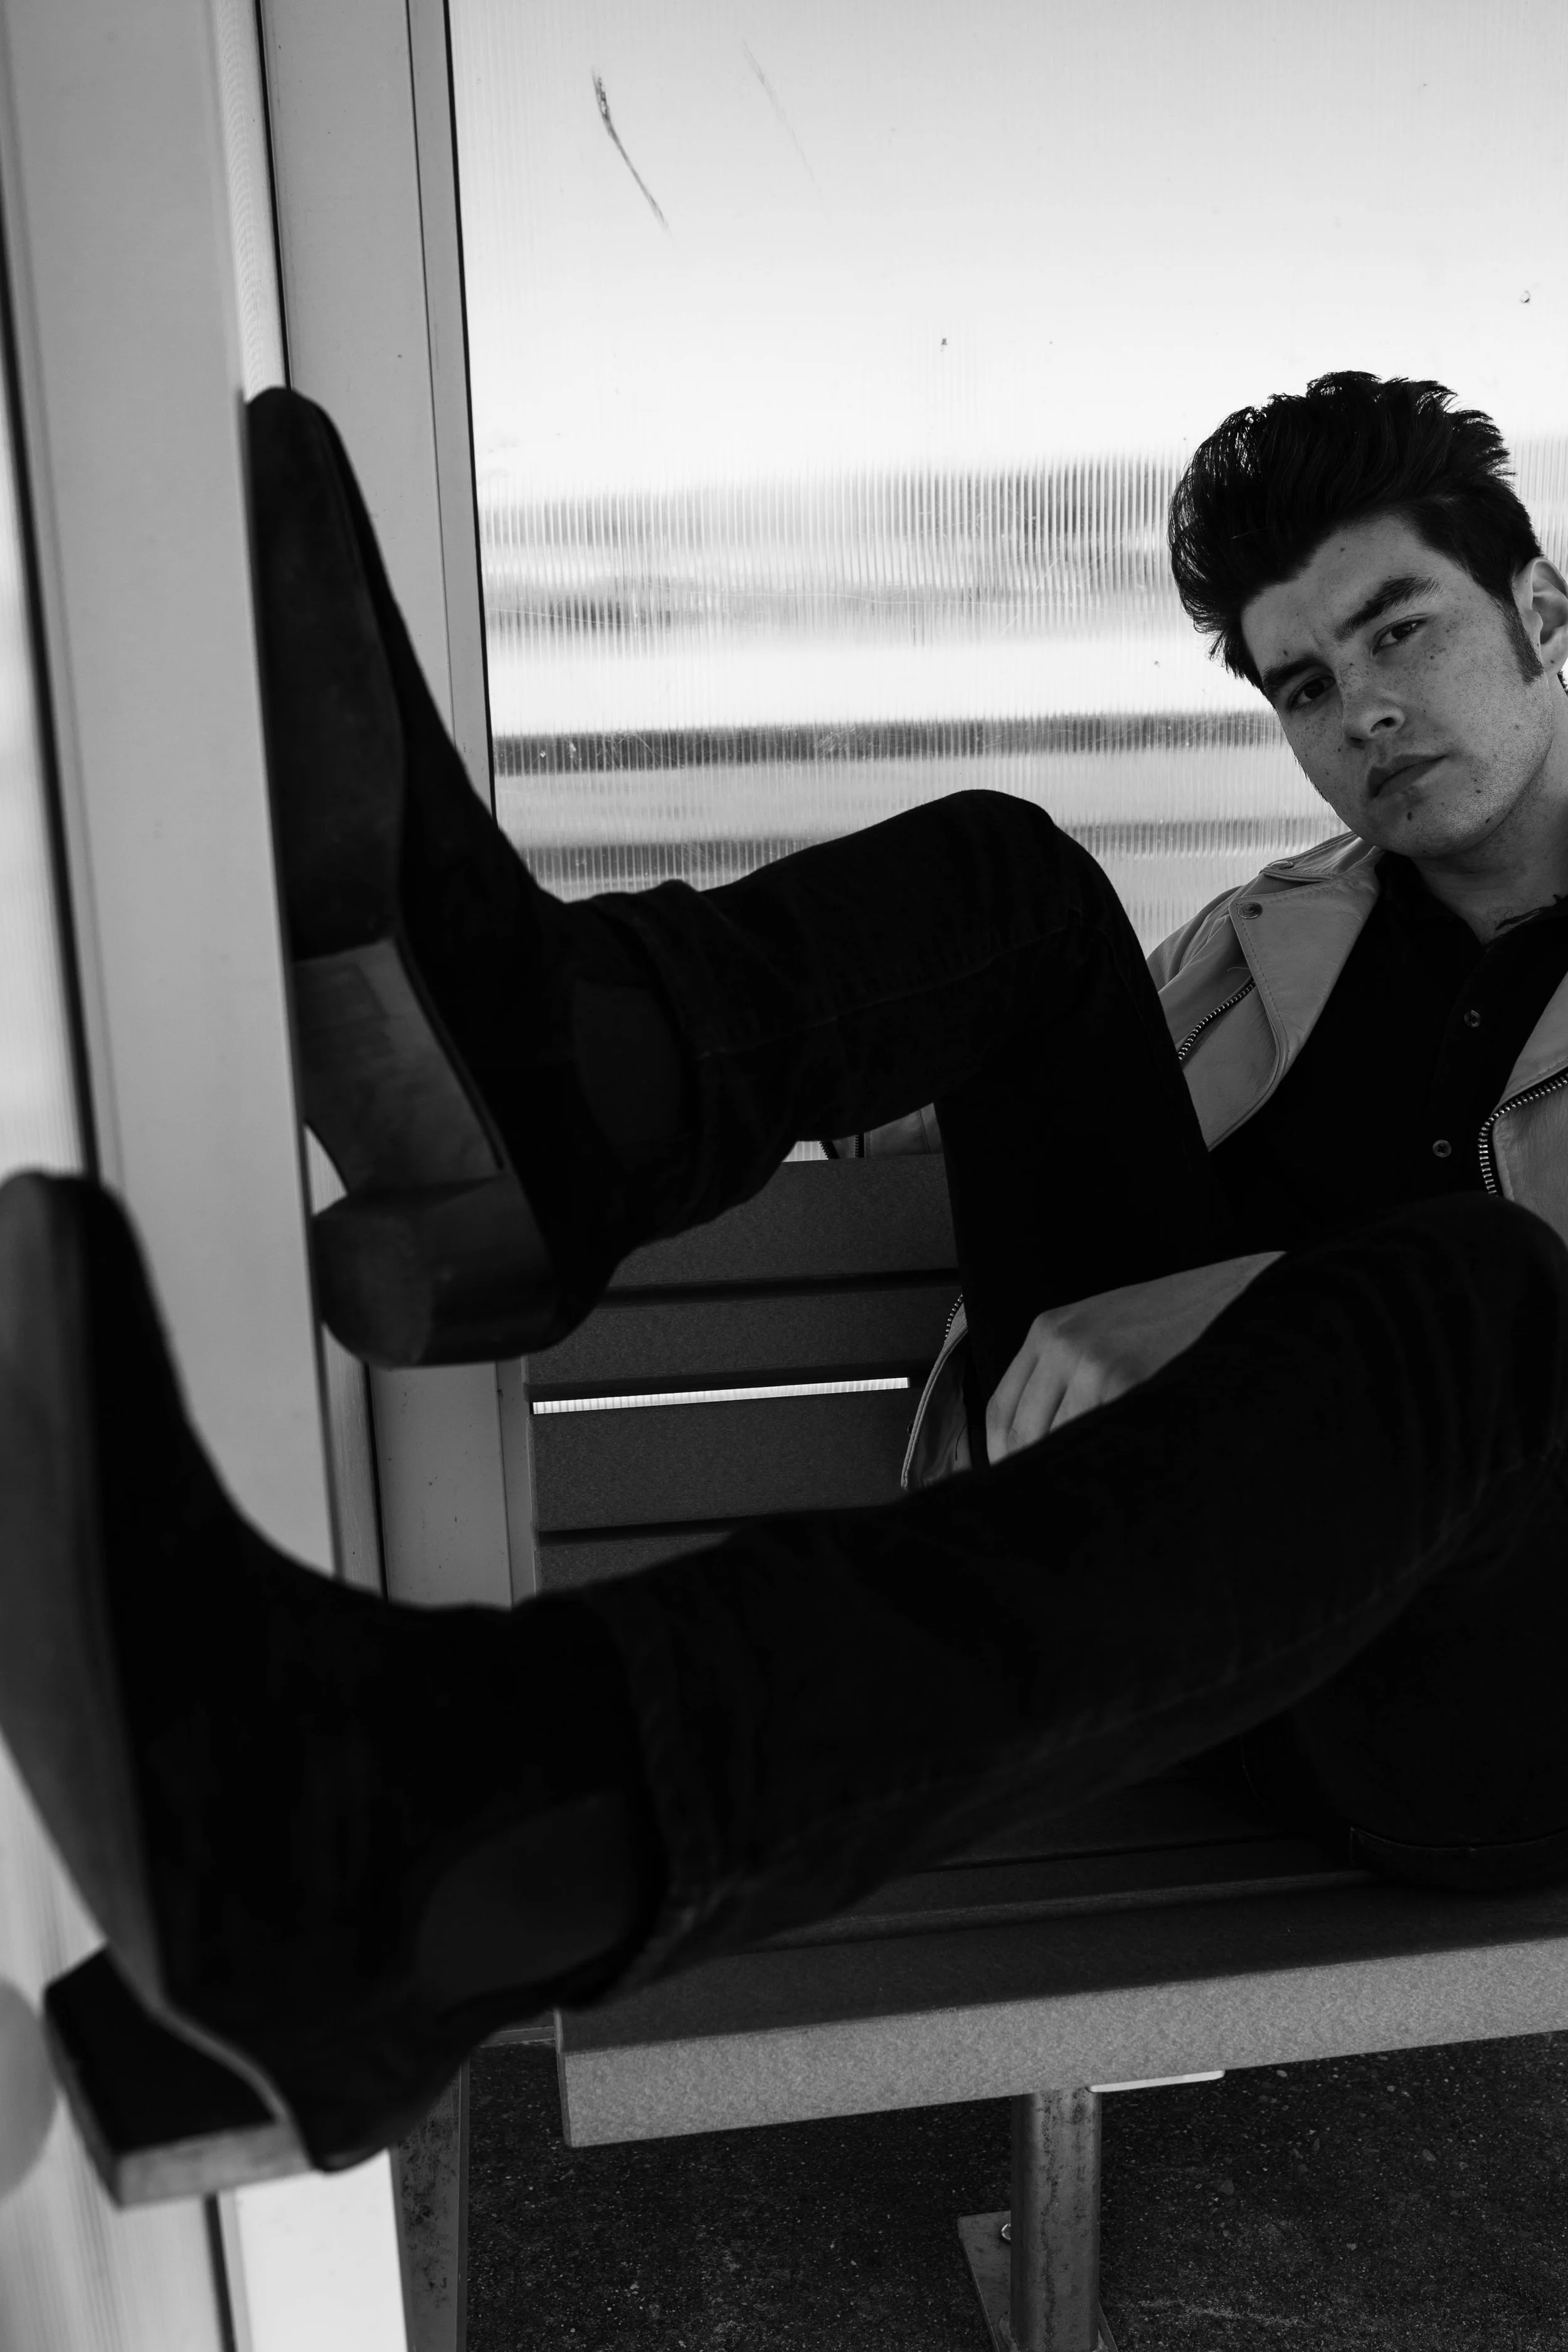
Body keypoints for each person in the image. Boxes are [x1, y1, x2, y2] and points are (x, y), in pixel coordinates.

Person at [4, 374, 1568, 2186]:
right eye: (1300, 681)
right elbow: (1021, 1135)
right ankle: (545, 1095)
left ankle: (425, 1836)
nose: (1360, 707)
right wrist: (804, 1096)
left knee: (1483, 1295)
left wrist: (1242, 1297)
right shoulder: (1274, 934)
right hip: (1201, 1622)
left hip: (1489, 1724)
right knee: (1015, 882)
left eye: (1402, 629)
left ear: (1537, 610)